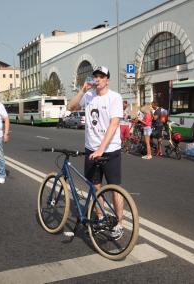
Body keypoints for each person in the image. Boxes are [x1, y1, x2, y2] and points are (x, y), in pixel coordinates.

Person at [67, 66, 124, 239]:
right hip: (91, 149)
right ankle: (100, 217)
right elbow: (71, 106)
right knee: (95, 186)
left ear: (107, 79)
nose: (97, 79)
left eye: (101, 76)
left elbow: (114, 125)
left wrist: (101, 149)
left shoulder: (115, 97)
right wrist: (82, 90)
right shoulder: (89, 96)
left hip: (110, 150)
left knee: (115, 189)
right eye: (95, 76)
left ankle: (119, 224)